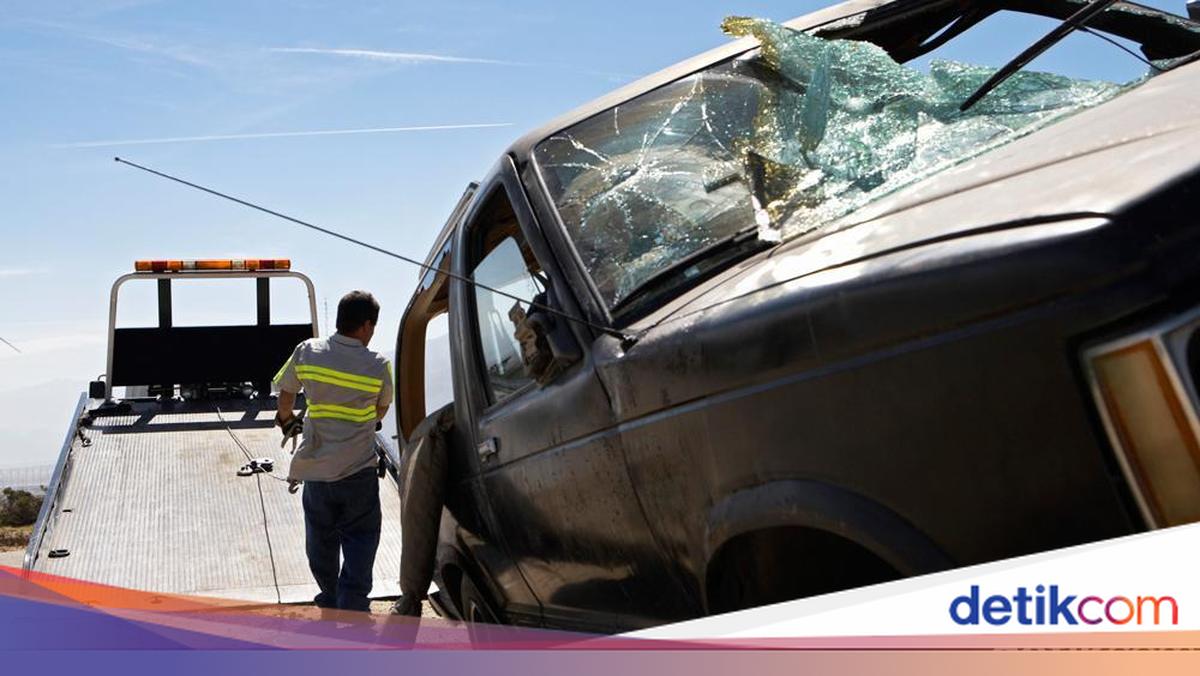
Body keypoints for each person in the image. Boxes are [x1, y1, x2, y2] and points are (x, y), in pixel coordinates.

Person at [273, 290, 393, 612]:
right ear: (367, 326)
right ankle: (352, 601)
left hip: (317, 469)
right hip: (358, 470)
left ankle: (328, 595)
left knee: (320, 536)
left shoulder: (307, 351)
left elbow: (285, 395)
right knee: (362, 536)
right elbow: (380, 411)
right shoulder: (378, 365)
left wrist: (288, 422)